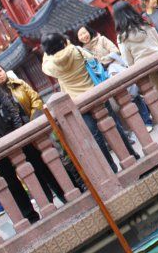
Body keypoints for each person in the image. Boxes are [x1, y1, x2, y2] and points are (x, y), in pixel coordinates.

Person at [41, 33, 138, 172]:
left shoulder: (51, 66)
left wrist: (47, 53)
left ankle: (111, 168)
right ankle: (131, 154)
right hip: (94, 94)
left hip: (78, 103)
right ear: (63, 41)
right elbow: (92, 58)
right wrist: (67, 43)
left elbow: (44, 66)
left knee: (96, 136)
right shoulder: (77, 50)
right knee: (114, 125)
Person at [0, 63, 68, 204]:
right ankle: (47, 202)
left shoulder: (18, 84)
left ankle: (65, 193)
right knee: (31, 172)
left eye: (0, 70)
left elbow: (35, 100)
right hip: (12, 137)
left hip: (31, 129)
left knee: (47, 164)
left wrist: (33, 122)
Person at [113, 1, 158, 132]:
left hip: (144, 70)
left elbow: (127, 60)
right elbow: (157, 42)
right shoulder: (146, 24)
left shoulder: (122, 38)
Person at [0, 82, 40, 223]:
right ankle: (30, 216)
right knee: (10, 181)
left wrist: (18, 135)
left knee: (36, 168)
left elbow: (13, 111)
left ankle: (54, 197)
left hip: (10, 135)